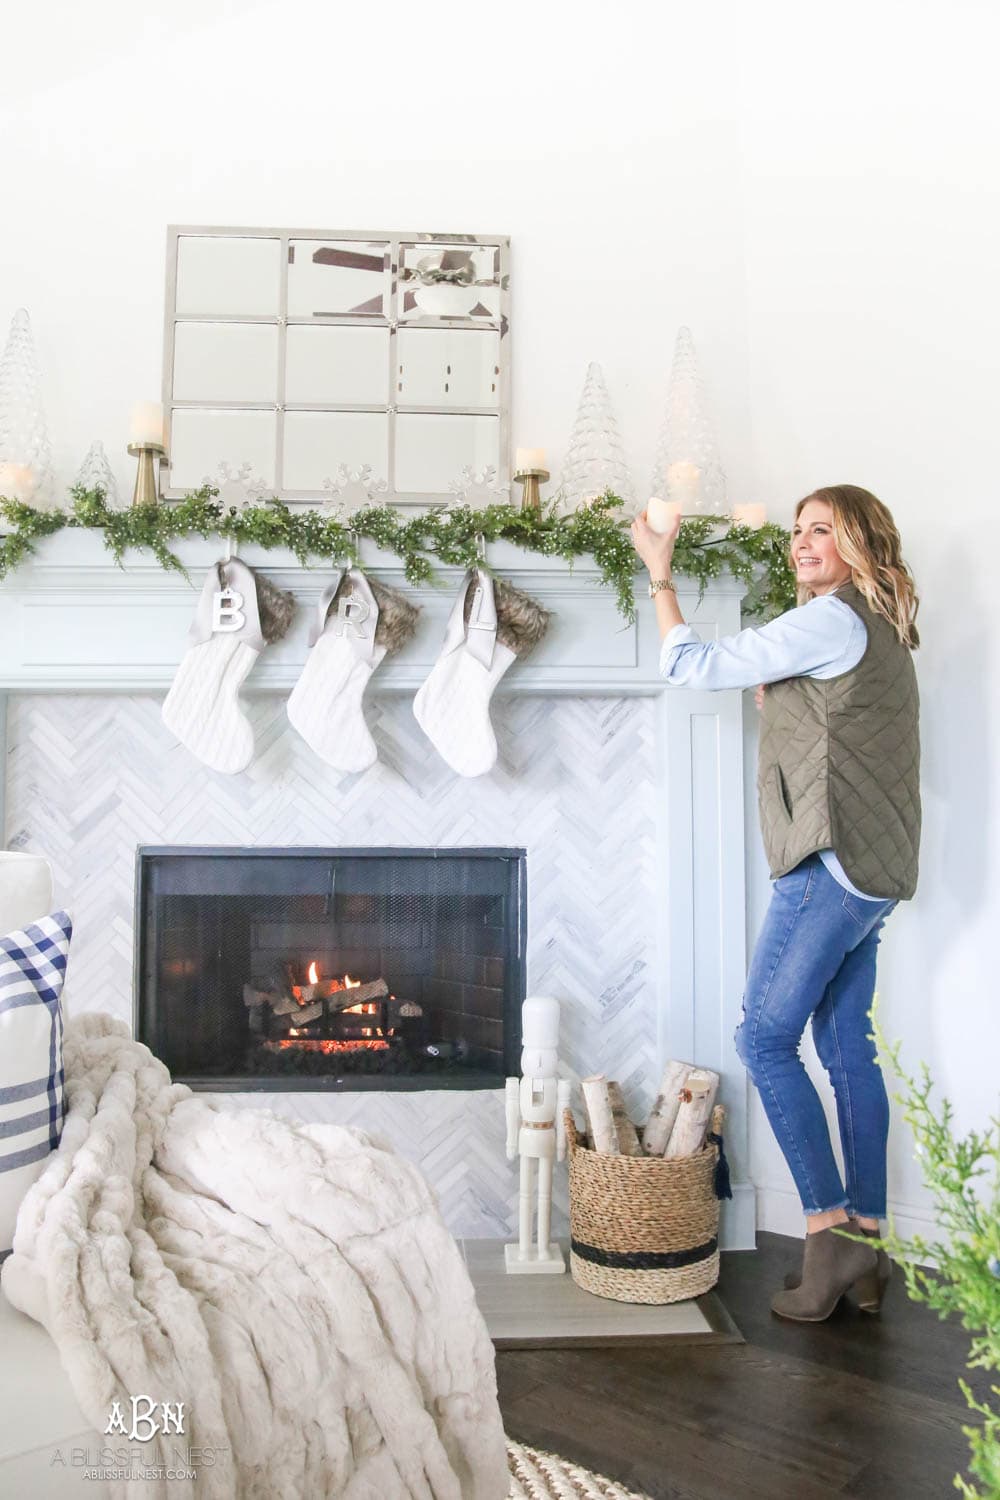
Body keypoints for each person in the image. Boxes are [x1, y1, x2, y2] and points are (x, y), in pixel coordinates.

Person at [631, 484, 920, 1322]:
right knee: (845, 1050)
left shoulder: (829, 618)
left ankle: (827, 1236)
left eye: (821, 530)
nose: (801, 543)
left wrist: (660, 575)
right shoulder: (881, 626)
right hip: (879, 868)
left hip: (828, 864)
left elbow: (693, 667)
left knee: (762, 1036)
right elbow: (838, 728)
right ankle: (869, 1244)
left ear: (859, 540)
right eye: (796, 531)